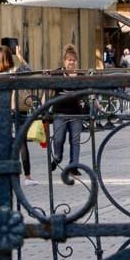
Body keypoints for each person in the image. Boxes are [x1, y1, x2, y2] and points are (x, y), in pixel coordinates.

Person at [0, 46, 36, 185]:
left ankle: (7, 174)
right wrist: (19, 56)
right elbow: (29, 70)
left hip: (3, 111)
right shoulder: (16, 71)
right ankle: (27, 176)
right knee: (21, 143)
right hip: (19, 109)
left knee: (5, 143)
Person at [48, 45, 86, 178]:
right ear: (64, 61)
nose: (71, 62)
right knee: (58, 139)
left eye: (74, 60)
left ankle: (73, 166)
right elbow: (49, 90)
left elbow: (88, 91)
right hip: (60, 112)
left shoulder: (81, 75)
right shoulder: (57, 74)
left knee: (75, 140)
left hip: (76, 112)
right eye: (69, 60)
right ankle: (57, 157)